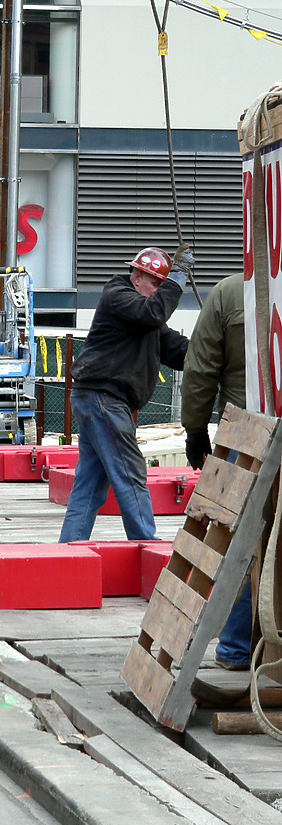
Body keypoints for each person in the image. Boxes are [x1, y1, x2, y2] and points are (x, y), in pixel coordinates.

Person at [59, 246, 191, 543]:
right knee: (131, 473)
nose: (159, 291)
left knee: (90, 485)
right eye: (156, 283)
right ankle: (146, 543)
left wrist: (215, 353)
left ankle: (69, 548)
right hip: (103, 399)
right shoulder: (118, 296)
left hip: (97, 400)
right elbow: (154, 312)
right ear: (138, 277)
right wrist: (179, 277)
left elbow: (176, 349)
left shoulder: (145, 316)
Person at [181, 272, 249, 669]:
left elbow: (201, 368)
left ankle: (237, 647)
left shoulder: (229, 292)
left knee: (237, 544)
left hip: (243, 436)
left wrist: (195, 429)